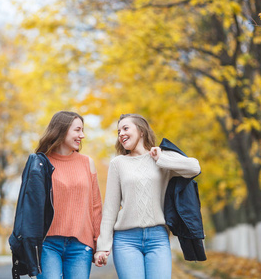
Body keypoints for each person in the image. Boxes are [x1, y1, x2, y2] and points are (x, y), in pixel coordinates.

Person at [94, 114, 201, 279]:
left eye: (125, 128)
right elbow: (110, 208)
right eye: (118, 131)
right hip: (126, 240)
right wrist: (103, 246)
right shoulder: (118, 164)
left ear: (141, 131)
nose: (121, 133)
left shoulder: (160, 157)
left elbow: (194, 167)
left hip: (158, 238)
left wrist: (161, 158)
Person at [36, 111, 103, 279]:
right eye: (78, 130)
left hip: (80, 246)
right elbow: (31, 205)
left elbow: (95, 207)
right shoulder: (41, 162)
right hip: (47, 244)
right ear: (62, 130)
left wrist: (99, 244)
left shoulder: (87, 163)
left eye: (83, 130)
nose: (82, 135)